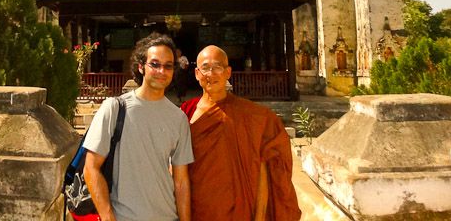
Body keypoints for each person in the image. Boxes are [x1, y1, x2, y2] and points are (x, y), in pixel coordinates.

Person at [180, 45, 301, 221]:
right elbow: (177, 171)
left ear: (228, 72)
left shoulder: (255, 117)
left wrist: (259, 217)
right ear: (197, 74)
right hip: (198, 209)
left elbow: (264, 172)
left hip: (242, 212)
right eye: (205, 67)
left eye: (218, 67)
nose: (211, 73)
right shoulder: (186, 113)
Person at [84, 33, 193, 221]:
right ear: (141, 67)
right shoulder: (115, 108)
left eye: (168, 66)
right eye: (155, 64)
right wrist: (108, 217)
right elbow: (91, 168)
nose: (162, 71)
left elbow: (181, 181)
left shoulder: (179, 118)